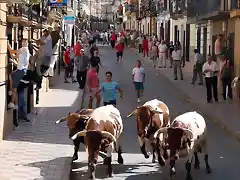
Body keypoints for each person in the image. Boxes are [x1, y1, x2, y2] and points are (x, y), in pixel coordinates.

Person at [7, 38, 30, 109]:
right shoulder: (24, 51)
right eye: (23, 42)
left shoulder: (23, 49)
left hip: (21, 71)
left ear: (27, 44)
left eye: (25, 42)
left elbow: (12, 51)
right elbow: (13, 56)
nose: (24, 43)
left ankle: (11, 102)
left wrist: (8, 45)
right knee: (11, 75)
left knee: (14, 88)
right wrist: (12, 59)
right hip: (21, 70)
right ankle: (15, 104)